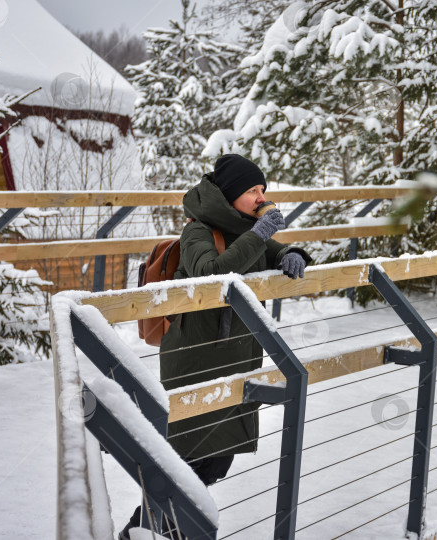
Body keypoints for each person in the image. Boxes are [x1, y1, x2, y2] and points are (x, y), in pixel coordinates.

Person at [119, 154, 312, 540]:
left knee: (216, 458)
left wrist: (292, 254)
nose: (260, 197)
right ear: (228, 195)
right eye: (252, 190)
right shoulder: (199, 231)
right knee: (189, 457)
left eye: (263, 190)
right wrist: (261, 234)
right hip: (195, 358)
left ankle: (161, 529)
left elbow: (270, 251)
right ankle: (144, 530)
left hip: (234, 356)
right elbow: (212, 273)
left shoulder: (245, 228)